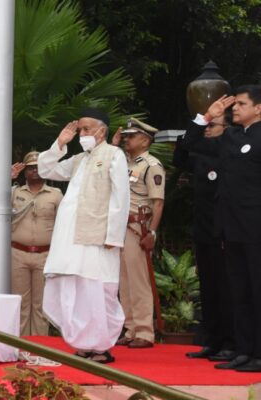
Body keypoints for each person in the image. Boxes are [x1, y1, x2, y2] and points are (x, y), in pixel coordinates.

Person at [37, 108, 130, 363]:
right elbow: (46, 170)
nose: (82, 134)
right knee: (74, 288)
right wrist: (60, 143)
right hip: (69, 238)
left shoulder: (114, 155)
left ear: (102, 131)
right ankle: (83, 343)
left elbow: (121, 199)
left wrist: (114, 236)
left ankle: (100, 347)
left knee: (97, 290)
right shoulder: (79, 159)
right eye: (80, 130)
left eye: (87, 129)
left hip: (98, 237)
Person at [181, 86, 261, 372]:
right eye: (233, 104)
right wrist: (205, 116)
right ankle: (244, 349)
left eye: (241, 103)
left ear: (258, 108)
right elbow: (191, 143)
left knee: (256, 291)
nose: (234, 108)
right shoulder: (230, 136)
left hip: (256, 229)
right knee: (239, 292)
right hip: (230, 229)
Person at [174, 112, 235, 360]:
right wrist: (193, 129)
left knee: (226, 290)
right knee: (208, 290)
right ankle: (212, 341)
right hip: (203, 232)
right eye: (205, 126)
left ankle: (231, 343)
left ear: (227, 129)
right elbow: (181, 157)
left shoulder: (229, 155)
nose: (207, 129)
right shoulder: (202, 157)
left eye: (212, 125)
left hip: (225, 232)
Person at [110, 118, 165, 349]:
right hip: (122, 227)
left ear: (144, 140)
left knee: (139, 281)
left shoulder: (151, 165)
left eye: (131, 136)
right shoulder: (124, 162)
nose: (126, 140)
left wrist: (152, 231)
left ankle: (144, 331)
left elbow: (158, 202)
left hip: (137, 227)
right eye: (126, 136)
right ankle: (131, 328)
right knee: (124, 281)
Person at [9, 151, 63, 336]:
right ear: (24, 171)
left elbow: (63, 225)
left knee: (42, 305)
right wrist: (7, 177)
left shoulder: (56, 194)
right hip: (17, 253)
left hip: (45, 255)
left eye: (39, 167)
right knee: (20, 303)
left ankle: (41, 346)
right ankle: (21, 345)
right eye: (30, 168)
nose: (35, 171)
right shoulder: (14, 192)